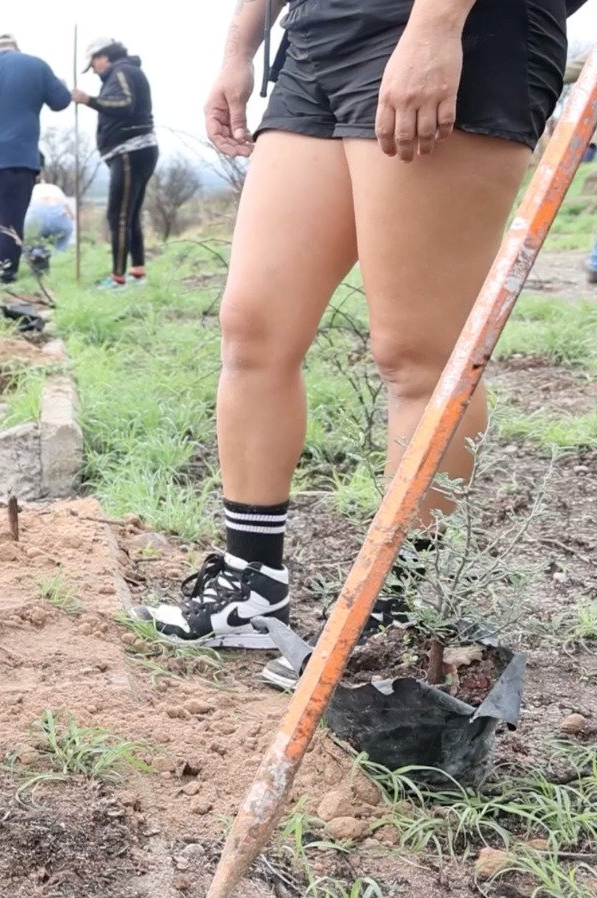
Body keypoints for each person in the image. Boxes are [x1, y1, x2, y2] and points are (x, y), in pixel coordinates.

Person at [131, 0, 577, 679]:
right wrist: (239, 48)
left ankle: (394, 618)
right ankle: (251, 583)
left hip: (456, 24)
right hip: (318, 33)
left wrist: (434, 28)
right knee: (254, 328)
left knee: (418, 355)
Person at [0, 34, 71, 285]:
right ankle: (0, 276)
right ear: (16, 49)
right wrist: (60, 83)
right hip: (16, 157)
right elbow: (61, 101)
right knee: (7, 218)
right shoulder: (35, 65)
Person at [72, 38, 157, 289]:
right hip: (139, 150)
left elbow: (125, 104)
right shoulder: (128, 71)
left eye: (93, 65)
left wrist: (89, 100)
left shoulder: (121, 71)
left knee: (117, 216)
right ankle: (138, 274)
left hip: (130, 151)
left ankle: (118, 279)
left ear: (102, 57)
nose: (94, 71)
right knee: (129, 216)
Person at [23, 167, 76, 276]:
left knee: (33, 240)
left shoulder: (30, 188)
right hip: (60, 219)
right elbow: (71, 215)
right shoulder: (54, 188)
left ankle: (37, 255)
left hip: (36, 217)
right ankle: (60, 255)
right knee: (66, 232)